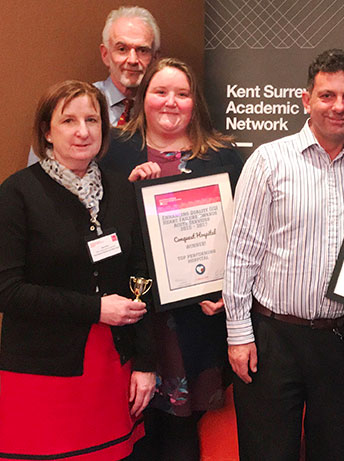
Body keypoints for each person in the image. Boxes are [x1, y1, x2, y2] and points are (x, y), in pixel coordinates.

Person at [223, 49, 344, 460]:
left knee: (338, 452)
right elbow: (241, 255)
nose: (338, 106)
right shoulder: (268, 161)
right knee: (267, 452)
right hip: (274, 338)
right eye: (327, 95)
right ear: (306, 99)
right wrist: (239, 335)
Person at [0, 80, 155, 460]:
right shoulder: (17, 193)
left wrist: (147, 364)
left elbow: (142, 277)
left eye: (92, 119)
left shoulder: (122, 191)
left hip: (112, 369)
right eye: (68, 120)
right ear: (47, 132)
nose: (83, 131)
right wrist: (96, 309)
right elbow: (7, 291)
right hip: (40, 374)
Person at [99, 57, 244, 460]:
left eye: (182, 94)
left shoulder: (224, 158)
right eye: (160, 92)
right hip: (132, 317)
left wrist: (225, 292)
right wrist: (129, 194)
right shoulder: (113, 153)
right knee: (132, 430)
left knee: (182, 432)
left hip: (196, 319)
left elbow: (242, 237)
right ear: (143, 98)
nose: (171, 102)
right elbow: (96, 228)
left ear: (195, 102)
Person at [28, 6, 160, 165]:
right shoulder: (72, 105)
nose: (132, 60)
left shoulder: (164, 111)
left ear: (154, 57)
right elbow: (36, 175)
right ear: (105, 55)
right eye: (122, 49)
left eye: (142, 50)